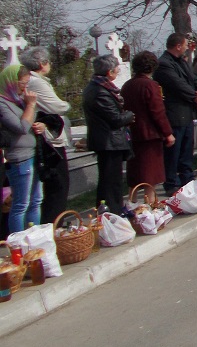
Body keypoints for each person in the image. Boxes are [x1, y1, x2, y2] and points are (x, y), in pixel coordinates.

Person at [22, 46, 71, 224]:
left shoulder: (38, 81)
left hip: (50, 136)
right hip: (49, 142)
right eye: (48, 61)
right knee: (58, 185)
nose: (49, 64)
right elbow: (58, 107)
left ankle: (56, 222)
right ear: (42, 63)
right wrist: (66, 105)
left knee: (58, 185)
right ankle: (54, 224)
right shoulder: (36, 82)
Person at [82, 55, 136, 213]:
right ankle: (112, 210)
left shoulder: (100, 87)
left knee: (112, 179)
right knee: (111, 180)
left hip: (109, 140)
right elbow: (114, 118)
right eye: (116, 68)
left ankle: (110, 208)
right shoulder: (100, 91)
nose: (118, 71)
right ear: (109, 71)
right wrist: (129, 115)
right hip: (108, 141)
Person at [154, 32, 197, 196]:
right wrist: (194, 96)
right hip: (174, 113)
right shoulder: (163, 64)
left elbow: (194, 80)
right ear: (178, 46)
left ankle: (187, 176)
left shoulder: (182, 62)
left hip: (187, 112)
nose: (186, 48)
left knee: (186, 149)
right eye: (184, 45)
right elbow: (177, 85)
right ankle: (171, 182)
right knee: (173, 151)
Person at [0, 64, 46, 232]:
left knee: (36, 200)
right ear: (10, 82)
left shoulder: (19, 101)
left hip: (33, 154)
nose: (25, 88)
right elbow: (21, 127)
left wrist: (41, 126)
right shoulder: (3, 103)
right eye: (22, 84)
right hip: (20, 158)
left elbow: (31, 121)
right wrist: (30, 106)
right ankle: (19, 243)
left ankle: (35, 238)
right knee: (21, 203)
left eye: (27, 84)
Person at [121, 51, 174, 188]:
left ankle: (132, 201)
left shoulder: (127, 85)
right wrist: (167, 133)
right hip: (150, 134)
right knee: (150, 175)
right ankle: (150, 202)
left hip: (133, 132)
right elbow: (157, 111)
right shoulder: (150, 85)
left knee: (135, 172)